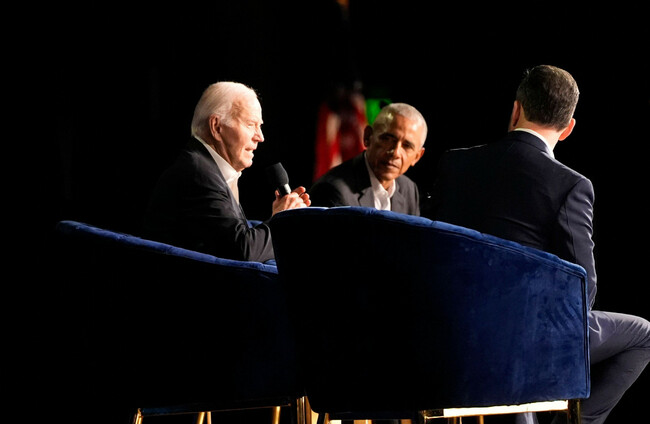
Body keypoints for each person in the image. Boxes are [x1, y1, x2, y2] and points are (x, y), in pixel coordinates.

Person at [425, 65, 650, 424]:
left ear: (516, 110)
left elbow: (429, 247)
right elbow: (583, 291)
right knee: (643, 335)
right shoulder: (571, 185)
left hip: (448, 330)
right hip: (523, 342)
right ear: (568, 128)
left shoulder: (454, 163)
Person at [142, 81, 310, 263]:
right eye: (251, 124)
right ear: (216, 127)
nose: (260, 137)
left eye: (260, 126)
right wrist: (282, 219)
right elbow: (243, 251)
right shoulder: (198, 174)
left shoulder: (208, 167)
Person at [308, 102, 427, 215]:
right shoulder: (333, 190)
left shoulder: (409, 189)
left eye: (407, 146)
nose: (395, 153)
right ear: (368, 137)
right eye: (387, 139)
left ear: (417, 157)